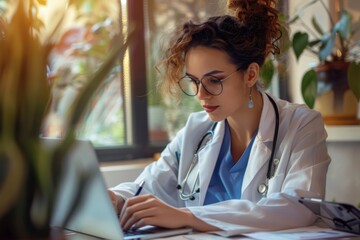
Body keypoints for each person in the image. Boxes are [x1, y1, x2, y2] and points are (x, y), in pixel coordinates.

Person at [109, 0, 331, 234]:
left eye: (214, 80)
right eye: (194, 82)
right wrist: (114, 199)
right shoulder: (196, 130)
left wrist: (188, 216)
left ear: (251, 74)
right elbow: (146, 186)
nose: (201, 94)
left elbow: (299, 207)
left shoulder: (302, 125)